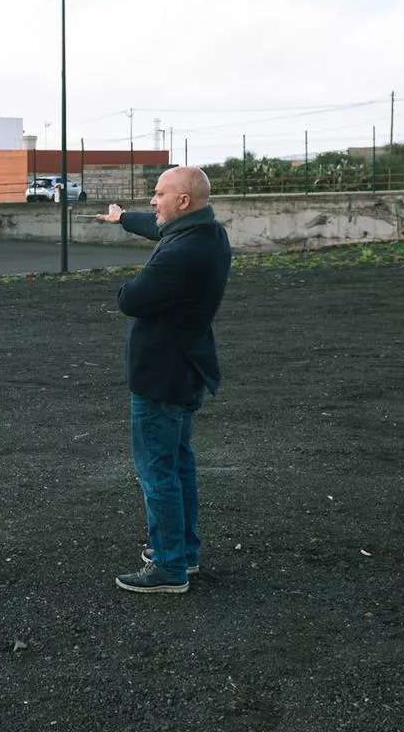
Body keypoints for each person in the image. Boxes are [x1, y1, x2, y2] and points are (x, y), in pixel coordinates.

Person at [94, 166, 231, 594]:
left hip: (162, 376)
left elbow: (130, 299)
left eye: (158, 194)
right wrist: (123, 218)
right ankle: (183, 552)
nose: (152, 201)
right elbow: (159, 230)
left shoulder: (178, 255)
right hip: (186, 368)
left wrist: (126, 284)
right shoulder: (209, 234)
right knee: (177, 463)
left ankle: (169, 565)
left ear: (183, 201)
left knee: (158, 471)